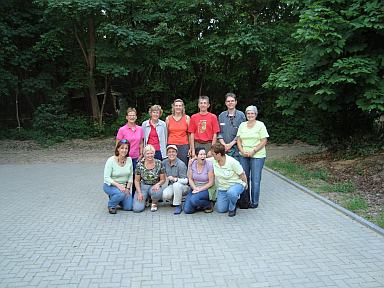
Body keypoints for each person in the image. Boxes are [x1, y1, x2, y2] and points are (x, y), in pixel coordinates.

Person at [237, 105, 269, 209]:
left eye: (252, 113)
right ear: (246, 114)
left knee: (255, 179)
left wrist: (253, 151)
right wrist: (242, 151)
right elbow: (238, 140)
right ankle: (245, 201)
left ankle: (254, 202)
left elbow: (264, 140)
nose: (250, 115)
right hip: (243, 155)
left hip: (257, 155)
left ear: (255, 114)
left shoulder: (260, 125)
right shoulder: (242, 125)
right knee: (244, 178)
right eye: (248, 113)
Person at [211, 143, 247, 217]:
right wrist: (194, 159)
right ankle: (233, 199)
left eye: (213, 154)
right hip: (223, 188)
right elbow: (204, 160)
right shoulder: (214, 160)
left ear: (219, 154)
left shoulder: (232, 162)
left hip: (236, 184)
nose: (212, 155)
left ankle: (232, 207)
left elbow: (242, 174)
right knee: (221, 209)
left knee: (231, 192)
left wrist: (245, 185)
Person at [116, 107, 144, 195]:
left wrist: (141, 154)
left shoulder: (140, 129)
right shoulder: (122, 130)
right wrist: (118, 157)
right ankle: (123, 194)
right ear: (126, 117)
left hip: (136, 158)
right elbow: (118, 145)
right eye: (130, 115)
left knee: (136, 178)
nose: (132, 117)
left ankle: (134, 196)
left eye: (133, 115)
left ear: (136, 117)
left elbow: (141, 143)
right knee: (125, 177)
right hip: (125, 158)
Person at [103, 140, 133, 214]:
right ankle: (111, 205)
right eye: (122, 148)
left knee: (128, 207)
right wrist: (118, 185)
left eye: (126, 148)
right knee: (120, 194)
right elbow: (106, 177)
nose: (124, 150)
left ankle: (116, 198)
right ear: (118, 149)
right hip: (110, 185)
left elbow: (130, 175)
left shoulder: (129, 160)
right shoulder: (111, 160)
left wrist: (128, 188)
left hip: (123, 187)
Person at [133, 144, 166, 212]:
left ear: (154, 154)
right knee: (137, 209)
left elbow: (163, 179)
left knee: (157, 192)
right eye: (147, 153)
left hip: (154, 186)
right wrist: (139, 193)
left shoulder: (159, 163)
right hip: (143, 186)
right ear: (144, 154)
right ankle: (146, 199)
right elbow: (136, 181)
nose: (150, 155)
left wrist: (158, 184)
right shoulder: (139, 164)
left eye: (151, 153)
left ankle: (154, 203)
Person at [184, 147, 214, 214]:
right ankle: (199, 205)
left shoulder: (209, 164)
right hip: (195, 187)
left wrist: (199, 190)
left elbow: (211, 182)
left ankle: (208, 204)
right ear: (197, 156)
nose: (203, 156)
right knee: (187, 210)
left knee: (194, 200)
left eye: (204, 154)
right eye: (201, 154)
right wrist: (195, 188)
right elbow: (190, 179)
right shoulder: (192, 163)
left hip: (206, 188)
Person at [217, 93, 246, 161]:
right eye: (228, 101)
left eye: (232, 101)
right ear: (225, 103)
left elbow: (242, 132)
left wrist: (231, 144)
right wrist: (224, 145)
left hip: (237, 150)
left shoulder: (241, 115)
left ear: (236, 102)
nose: (230, 103)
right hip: (223, 149)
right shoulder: (221, 116)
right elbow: (219, 132)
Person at [162, 145, 189, 214]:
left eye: (173, 152)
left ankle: (178, 205)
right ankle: (175, 199)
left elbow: (186, 181)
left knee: (176, 185)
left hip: (183, 186)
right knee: (165, 195)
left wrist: (175, 179)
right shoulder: (164, 162)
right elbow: (156, 164)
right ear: (167, 154)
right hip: (172, 185)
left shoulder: (181, 164)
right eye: (169, 152)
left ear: (176, 153)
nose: (171, 154)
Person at [165, 99, 191, 167]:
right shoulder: (168, 118)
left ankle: (183, 177)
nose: (178, 107)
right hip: (171, 144)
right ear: (173, 107)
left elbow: (189, 134)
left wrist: (190, 148)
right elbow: (166, 134)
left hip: (184, 145)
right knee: (171, 164)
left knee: (183, 165)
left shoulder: (187, 118)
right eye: (176, 105)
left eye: (180, 106)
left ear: (182, 107)